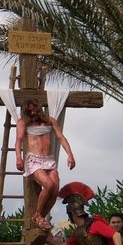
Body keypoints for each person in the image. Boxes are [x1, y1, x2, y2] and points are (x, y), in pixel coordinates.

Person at [15, 98, 75, 231]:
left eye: (34, 109)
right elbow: (18, 141)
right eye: (29, 110)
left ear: (39, 108)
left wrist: (70, 154)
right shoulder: (23, 122)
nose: (32, 112)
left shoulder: (50, 121)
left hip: (48, 160)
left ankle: (39, 216)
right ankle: (38, 216)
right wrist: (18, 158)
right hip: (33, 160)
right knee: (48, 185)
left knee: (55, 191)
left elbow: (61, 137)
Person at [46, 181, 123, 245]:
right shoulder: (78, 232)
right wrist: (50, 240)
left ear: (72, 214)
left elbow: (116, 235)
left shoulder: (95, 224)